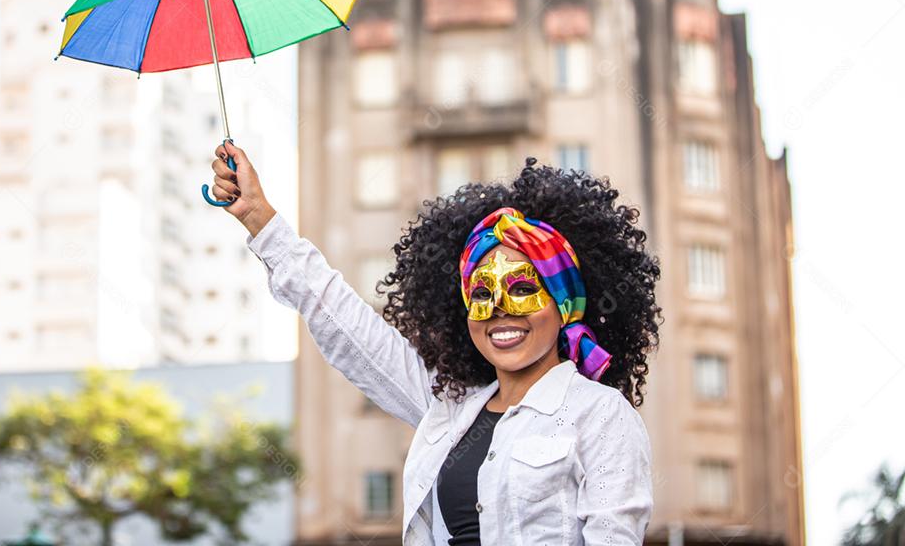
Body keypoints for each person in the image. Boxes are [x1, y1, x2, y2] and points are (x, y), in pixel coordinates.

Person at [209, 140, 662, 545]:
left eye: (523, 289)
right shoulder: (449, 411)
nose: (500, 309)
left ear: (564, 305)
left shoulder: (600, 415)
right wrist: (258, 217)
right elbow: (348, 327)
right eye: (482, 294)